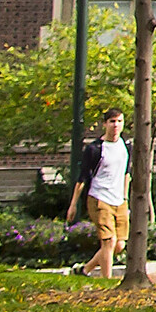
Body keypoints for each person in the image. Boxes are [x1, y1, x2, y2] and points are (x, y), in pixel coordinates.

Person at [66, 108, 130, 278]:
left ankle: (85, 269)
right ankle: (107, 281)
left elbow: (126, 174)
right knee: (108, 241)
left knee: (119, 245)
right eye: (112, 121)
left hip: (119, 200)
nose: (116, 125)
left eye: (119, 121)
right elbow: (82, 178)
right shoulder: (95, 149)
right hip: (99, 198)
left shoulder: (125, 146)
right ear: (105, 124)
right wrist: (73, 205)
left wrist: (125, 197)